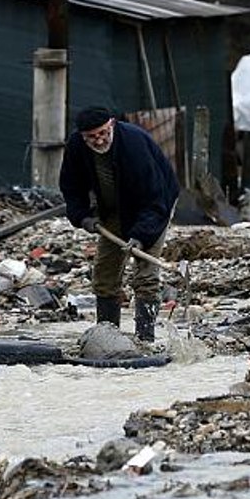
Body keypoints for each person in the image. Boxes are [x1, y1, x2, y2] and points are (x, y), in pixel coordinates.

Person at [60, 106, 179, 341]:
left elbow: (155, 200)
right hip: (113, 208)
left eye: (103, 133)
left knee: (145, 275)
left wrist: (141, 235)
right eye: (92, 137)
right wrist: (82, 216)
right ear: (83, 136)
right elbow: (71, 188)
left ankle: (145, 339)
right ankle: (106, 336)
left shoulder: (134, 145)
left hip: (155, 205)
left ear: (112, 124)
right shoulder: (76, 147)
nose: (99, 140)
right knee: (104, 274)